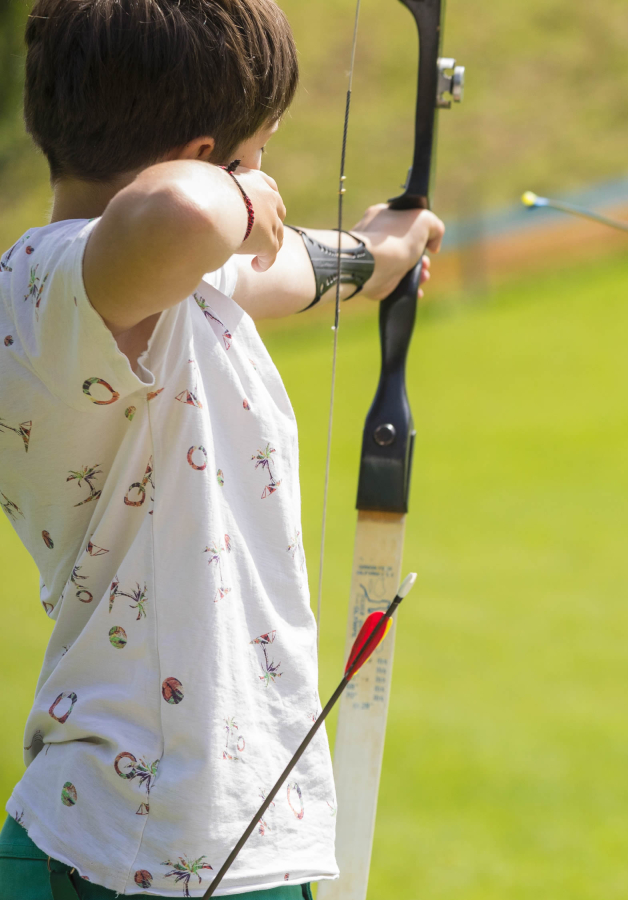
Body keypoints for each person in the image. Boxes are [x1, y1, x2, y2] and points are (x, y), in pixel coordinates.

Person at [0, 0, 444, 895]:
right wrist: (237, 196)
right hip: (149, 844)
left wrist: (369, 256)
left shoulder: (135, 289)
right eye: (260, 156)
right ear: (206, 158)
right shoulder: (50, 286)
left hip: (190, 833)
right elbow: (182, 216)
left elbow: (268, 270)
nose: (263, 190)